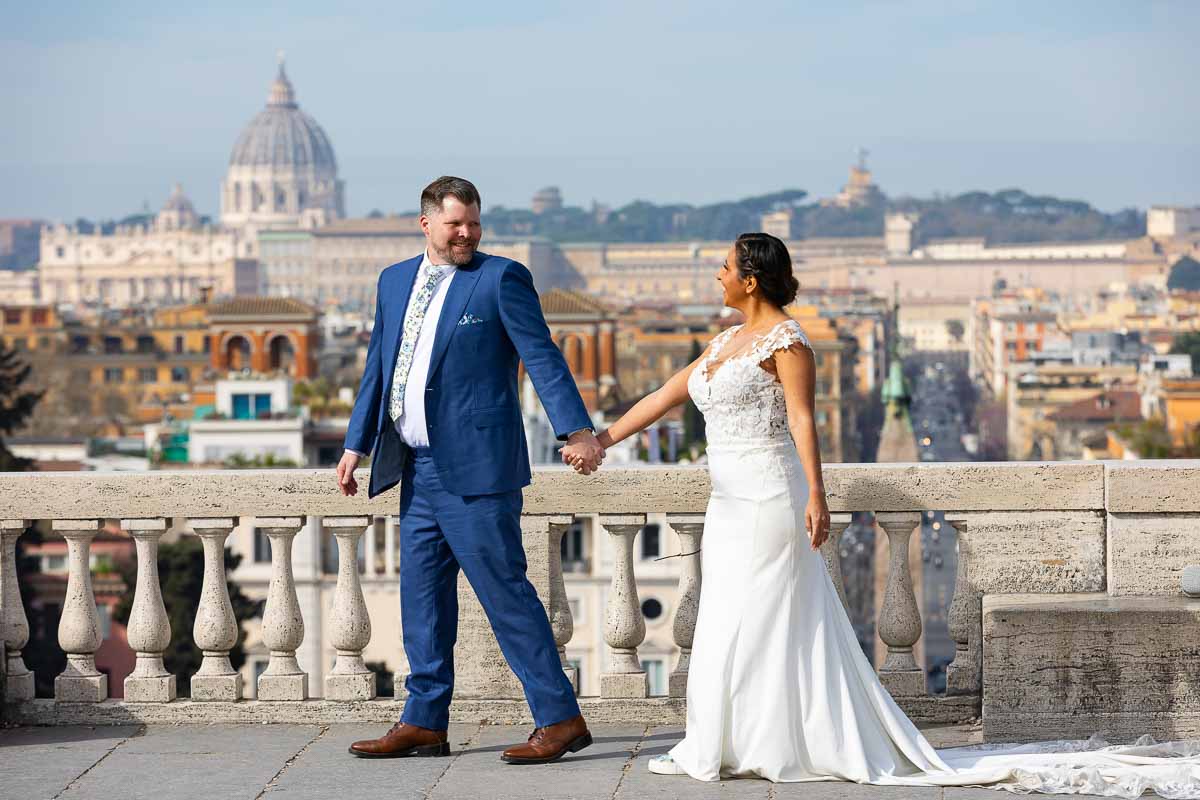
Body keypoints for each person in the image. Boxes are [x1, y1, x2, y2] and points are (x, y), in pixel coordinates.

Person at [566, 232, 1200, 797]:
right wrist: (600, 440)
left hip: (770, 494)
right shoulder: (725, 342)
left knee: (763, 616)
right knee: (727, 614)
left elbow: (804, 421)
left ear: (750, 279)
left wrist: (817, 496)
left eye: (725, 267)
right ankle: (727, 740)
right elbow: (663, 396)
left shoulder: (789, 341)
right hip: (728, 500)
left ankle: (771, 742)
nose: (717, 276)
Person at [339, 176, 605, 763]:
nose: (467, 234)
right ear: (426, 223)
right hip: (416, 469)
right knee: (422, 600)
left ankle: (560, 718)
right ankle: (425, 721)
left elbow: (542, 355)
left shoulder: (500, 278)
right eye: (456, 223)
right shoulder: (393, 281)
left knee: (505, 593)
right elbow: (379, 369)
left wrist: (576, 430)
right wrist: (354, 446)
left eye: (474, 223)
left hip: (480, 469)